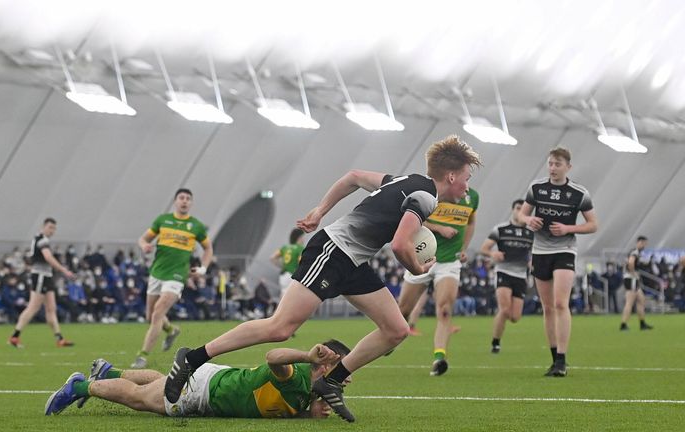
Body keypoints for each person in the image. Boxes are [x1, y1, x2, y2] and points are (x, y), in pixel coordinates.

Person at [165, 135, 482, 422]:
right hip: (332, 252)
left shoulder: (405, 180)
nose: (467, 187)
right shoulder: (426, 196)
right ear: (452, 176)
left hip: (353, 260)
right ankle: (192, 358)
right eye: (467, 179)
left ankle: (331, 381)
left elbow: (355, 177)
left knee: (397, 328)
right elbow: (400, 245)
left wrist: (320, 210)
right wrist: (417, 269)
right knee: (281, 328)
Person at [45, 340, 350, 418]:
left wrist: (320, 404)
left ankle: (108, 373)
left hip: (216, 378)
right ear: (327, 363)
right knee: (142, 400)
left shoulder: (310, 391)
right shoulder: (296, 376)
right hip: (205, 392)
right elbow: (272, 357)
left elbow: (302, 410)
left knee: (161, 382)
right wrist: (307, 356)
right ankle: (80, 386)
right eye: (342, 368)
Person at [519, 147, 598, 377]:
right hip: (540, 251)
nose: (553, 168)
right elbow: (521, 215)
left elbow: (593, 224)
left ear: (568, 167)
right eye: (550, 164)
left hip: (565, 250)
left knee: (561, 303)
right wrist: (528, 220)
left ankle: (562, 359)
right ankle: (554, 358)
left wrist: (568, 228)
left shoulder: (579, 193)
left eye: (558, 164)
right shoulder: (536, 188)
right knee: (548, 307)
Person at [397, 186, 479, 376]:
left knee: (444, 309)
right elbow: (415, 220)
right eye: (464, 176)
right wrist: (439, 228)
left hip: (449, 262)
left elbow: (471, 222)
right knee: (403, 311)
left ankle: (439, 358)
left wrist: (464, 247)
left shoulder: (473, 197)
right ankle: (390, 340)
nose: (466, 181)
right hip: (422, 257)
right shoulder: (432, 194)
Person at [131, 188, 213, 368]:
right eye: (181, 198)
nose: (184, 201)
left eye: (188, 199)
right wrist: (145, 245)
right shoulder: (163, 220)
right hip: (157, 273)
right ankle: (171, 330)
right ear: (175, 201)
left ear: (191, 203)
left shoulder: (196, 226)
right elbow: (143, 239)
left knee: (158, 312)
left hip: (177, 275)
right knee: (150, 316)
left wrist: (203, 268)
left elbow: (208, 248)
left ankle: (142, 356)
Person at [8, 218, 76, 348]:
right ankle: (14, 336)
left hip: (46, 276)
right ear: (43, 226)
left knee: (51, 309)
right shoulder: (41, 239)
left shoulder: (42, 239)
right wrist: (63, 270)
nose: (52, 231)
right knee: (33, 307)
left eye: (54, 228)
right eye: (50, 227)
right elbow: (48, 257)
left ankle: (59, 339)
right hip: (40, 276)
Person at [480, 199, 534, 354]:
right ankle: (495, 342)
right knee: (504, 309)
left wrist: (533, 262)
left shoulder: (531, 233)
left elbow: (536, 252)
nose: (520, 211)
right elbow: (484, 248)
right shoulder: (501, 229)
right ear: (513, 210)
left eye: (523, 209)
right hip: (503, 272)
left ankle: (498, 333)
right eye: (517, 208)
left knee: (515, 317)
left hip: (521, 275)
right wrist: (493, 253)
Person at [620, 236, 653, 331]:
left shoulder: (636, 253)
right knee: (629, 302)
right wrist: (634, 273)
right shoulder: (634, 252)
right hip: (631, 279)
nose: (645, 246)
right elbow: (631, 263)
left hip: (633, 279)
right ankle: (623, 324)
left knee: (641, 300)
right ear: (640, 242)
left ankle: (642, 323)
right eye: (644, 244)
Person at [270, 228, 306, 303]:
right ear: (299, 238)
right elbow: (301, 262)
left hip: (283, 275)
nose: (303, 239)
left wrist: (282, 266)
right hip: (292, 275)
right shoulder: (300, 248)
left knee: (283, 295)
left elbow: (272, 258)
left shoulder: (285, 247)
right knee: (293, 299)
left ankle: (278, 313)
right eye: (303, 237)